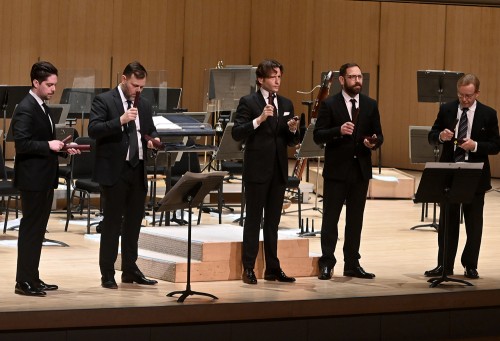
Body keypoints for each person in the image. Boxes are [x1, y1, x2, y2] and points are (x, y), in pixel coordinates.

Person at [88, 61, 160, 289]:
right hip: (114, 172)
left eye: (141, 86)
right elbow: (94, 130)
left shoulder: (145, 105)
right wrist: (120, 120)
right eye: (134, 85)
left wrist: (153, 140)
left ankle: (130, 269)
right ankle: (107, 273)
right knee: (111, 225)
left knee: (133, 225)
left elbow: (149, 130)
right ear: (123, 79)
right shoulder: (104, 100)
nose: (138, 90)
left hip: (137, 170)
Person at [12, 61, 80, 296]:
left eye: (54, 85)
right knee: (31, 230)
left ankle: (33, 277)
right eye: (49, 85)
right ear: (36, 83)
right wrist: (48, 144)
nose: (53, 89)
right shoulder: (25, 107)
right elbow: (21, 144)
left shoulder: (42, 106)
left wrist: (62, 148)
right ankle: (23, 281)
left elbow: (44, 142)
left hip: (43, 177)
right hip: (32, 179)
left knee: (38, 231)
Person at [232, 59, 300, 284]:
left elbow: (291, 141)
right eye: (273, 76)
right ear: (261, 79)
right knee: (253, 220)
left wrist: (293, 130)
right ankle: (248, 268)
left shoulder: (287, 103)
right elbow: (237, 133)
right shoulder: (248, 102)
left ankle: (273, 267)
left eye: (280, 76)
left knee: (272, 223)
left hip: (278, 171)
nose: (277, 80)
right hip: (257, 170)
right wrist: (259, 119)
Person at [314, 62, 383, 280]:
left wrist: (373, 143)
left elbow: (379, 135)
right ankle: (327, 262)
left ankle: (352, 263)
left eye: (360, 77)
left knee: (355, 220)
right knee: (330, 219)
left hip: (360, 170)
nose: (358, 81)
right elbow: (318, 135)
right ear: (342, 80)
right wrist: (338, 130)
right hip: (337, 170)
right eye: (352, 77)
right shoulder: (329, 104)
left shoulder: (370, 105)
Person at [426, 73, 499, 279]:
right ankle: (444, 265)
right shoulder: (447, 109)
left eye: (469, 96)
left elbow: (495, 145)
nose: (465, 100)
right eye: (461, 95)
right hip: (449, 172)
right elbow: (432, 135)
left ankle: (470, 265)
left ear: (477, 93)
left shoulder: (488, 114)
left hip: (475, 174)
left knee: (474, 223)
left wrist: (475, 146)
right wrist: (441, 136)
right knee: (447, 222)